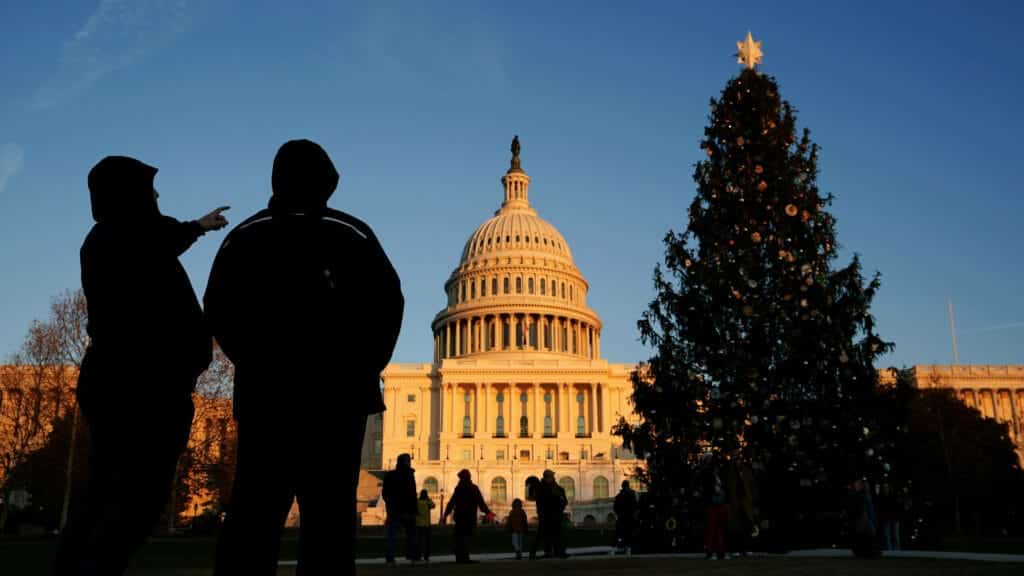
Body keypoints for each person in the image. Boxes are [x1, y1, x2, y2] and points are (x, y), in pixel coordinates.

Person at [205, 139, 404, 575]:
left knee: (256, 516)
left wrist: (256, 362)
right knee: (327, 524)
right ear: (327, 183)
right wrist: (362, 368)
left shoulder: (246, 236)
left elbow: (219, 311)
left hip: (269, 398)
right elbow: (388, 306)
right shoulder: (352, 233)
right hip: (335, 401)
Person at [53, 155, 228, 575]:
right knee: (133, 501)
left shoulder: (117, 239)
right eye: (149, 190)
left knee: (111, 496)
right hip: (142, 388)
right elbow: (157, 237)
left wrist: (193, 229)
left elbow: (159, 237)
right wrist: (196, 228)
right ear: (129, 196)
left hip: (137, 383)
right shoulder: (119, 239)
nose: (157, 196)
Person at [442, 469, 493, 563]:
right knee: (465, 537)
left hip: (461, 516)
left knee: (460, 537)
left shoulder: (459, 488)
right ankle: (464, 557)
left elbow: (451, 503)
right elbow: (481, 502)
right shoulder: (473, 488)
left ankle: (460, 557)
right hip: (469, 516)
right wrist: (487, 512)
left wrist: (446, 514)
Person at [382, 454, 418, 564]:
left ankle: (390, 556)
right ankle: (411, 555)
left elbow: (385, 493)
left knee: (392, 534)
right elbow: (411, 494)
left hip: (394, 509)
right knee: (411, 534)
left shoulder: (390, 475)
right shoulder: (409, 475)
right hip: (406, 509)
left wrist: (390, 505)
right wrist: (413, 509)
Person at [534, 470, 568, 559]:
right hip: (546, 515)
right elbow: (539, 503)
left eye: (552, 476)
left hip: (555, 515)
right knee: (544, 535)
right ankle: (548, 552)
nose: (553, 478)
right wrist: (541, 513)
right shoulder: (541, 488)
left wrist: (560, 509)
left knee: (557, 534)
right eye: (551, 476)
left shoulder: (557, 488)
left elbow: (564, 501)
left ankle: (559, 552)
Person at [703, 463, 727, 560]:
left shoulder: (717, 478)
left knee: (718, 529)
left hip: (718, 504)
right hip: (713, 505)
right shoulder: (710, 478)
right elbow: (711, 490)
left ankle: (719, 552)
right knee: (713, 529)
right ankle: (711, 552)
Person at [613, 480, 637, 555]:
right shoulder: (632, 494)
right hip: (629, 517)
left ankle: (621, 545)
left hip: (623, 517)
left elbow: (615, 507)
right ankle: (628, 546)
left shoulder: (619, 496)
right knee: (629, 532)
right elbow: (635, 505)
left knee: (621, 532)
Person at [415, 489, 435, 562]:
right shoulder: (427, 502)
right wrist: (429, 499)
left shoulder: (417, 502)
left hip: (418, 524)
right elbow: (433, 505)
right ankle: (426, 556)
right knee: (427, 542)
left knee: (419, 541)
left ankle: (418, 555)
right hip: (426, 524)